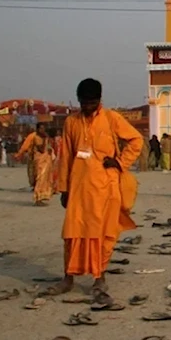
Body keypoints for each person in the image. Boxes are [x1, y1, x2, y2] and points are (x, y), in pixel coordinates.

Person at [51, 78, 142, 295]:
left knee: (103, 234)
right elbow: (66, 157)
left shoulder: (111, 118)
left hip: (105, 188)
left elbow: (136, 140)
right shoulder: (71, 123)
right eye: (83, 103)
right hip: (79, 189)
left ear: (99, 101)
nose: (87, 107)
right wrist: (63, 188)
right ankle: (68, 278)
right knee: (72, 233)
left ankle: (100, 277)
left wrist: (119, 163)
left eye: (91, 103)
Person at [30, 122, 55, 206]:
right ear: (37, 129)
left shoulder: (44, 138)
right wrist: (45, 139)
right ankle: (37, 198)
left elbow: (47, 148)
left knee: (45, 179)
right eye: (41, 128)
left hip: (45, 160)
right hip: (40, 161)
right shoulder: (36, 138)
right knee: (40, 179)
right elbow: (41, 149)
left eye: (44, 128)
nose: (43, 130)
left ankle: (42, 196)